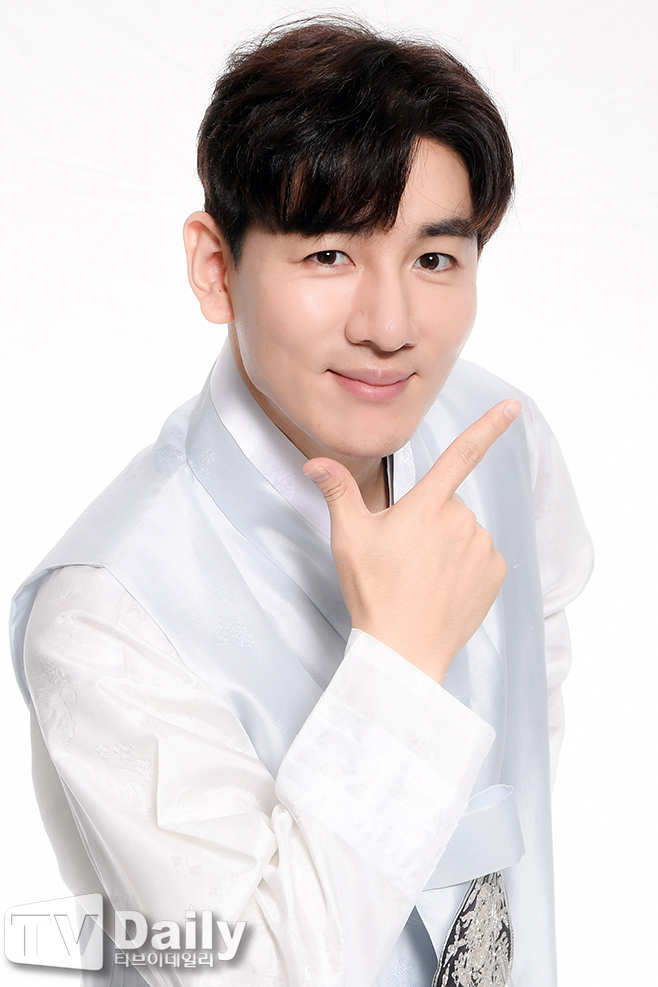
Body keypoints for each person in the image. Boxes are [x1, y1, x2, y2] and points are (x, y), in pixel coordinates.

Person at [10, 17, 593, 987]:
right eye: (328, 255)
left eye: (434, 259)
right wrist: (400, 668)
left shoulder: (499, 438)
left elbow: (536, 692)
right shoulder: (107, 613)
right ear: (216, 268)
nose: (390, 326)